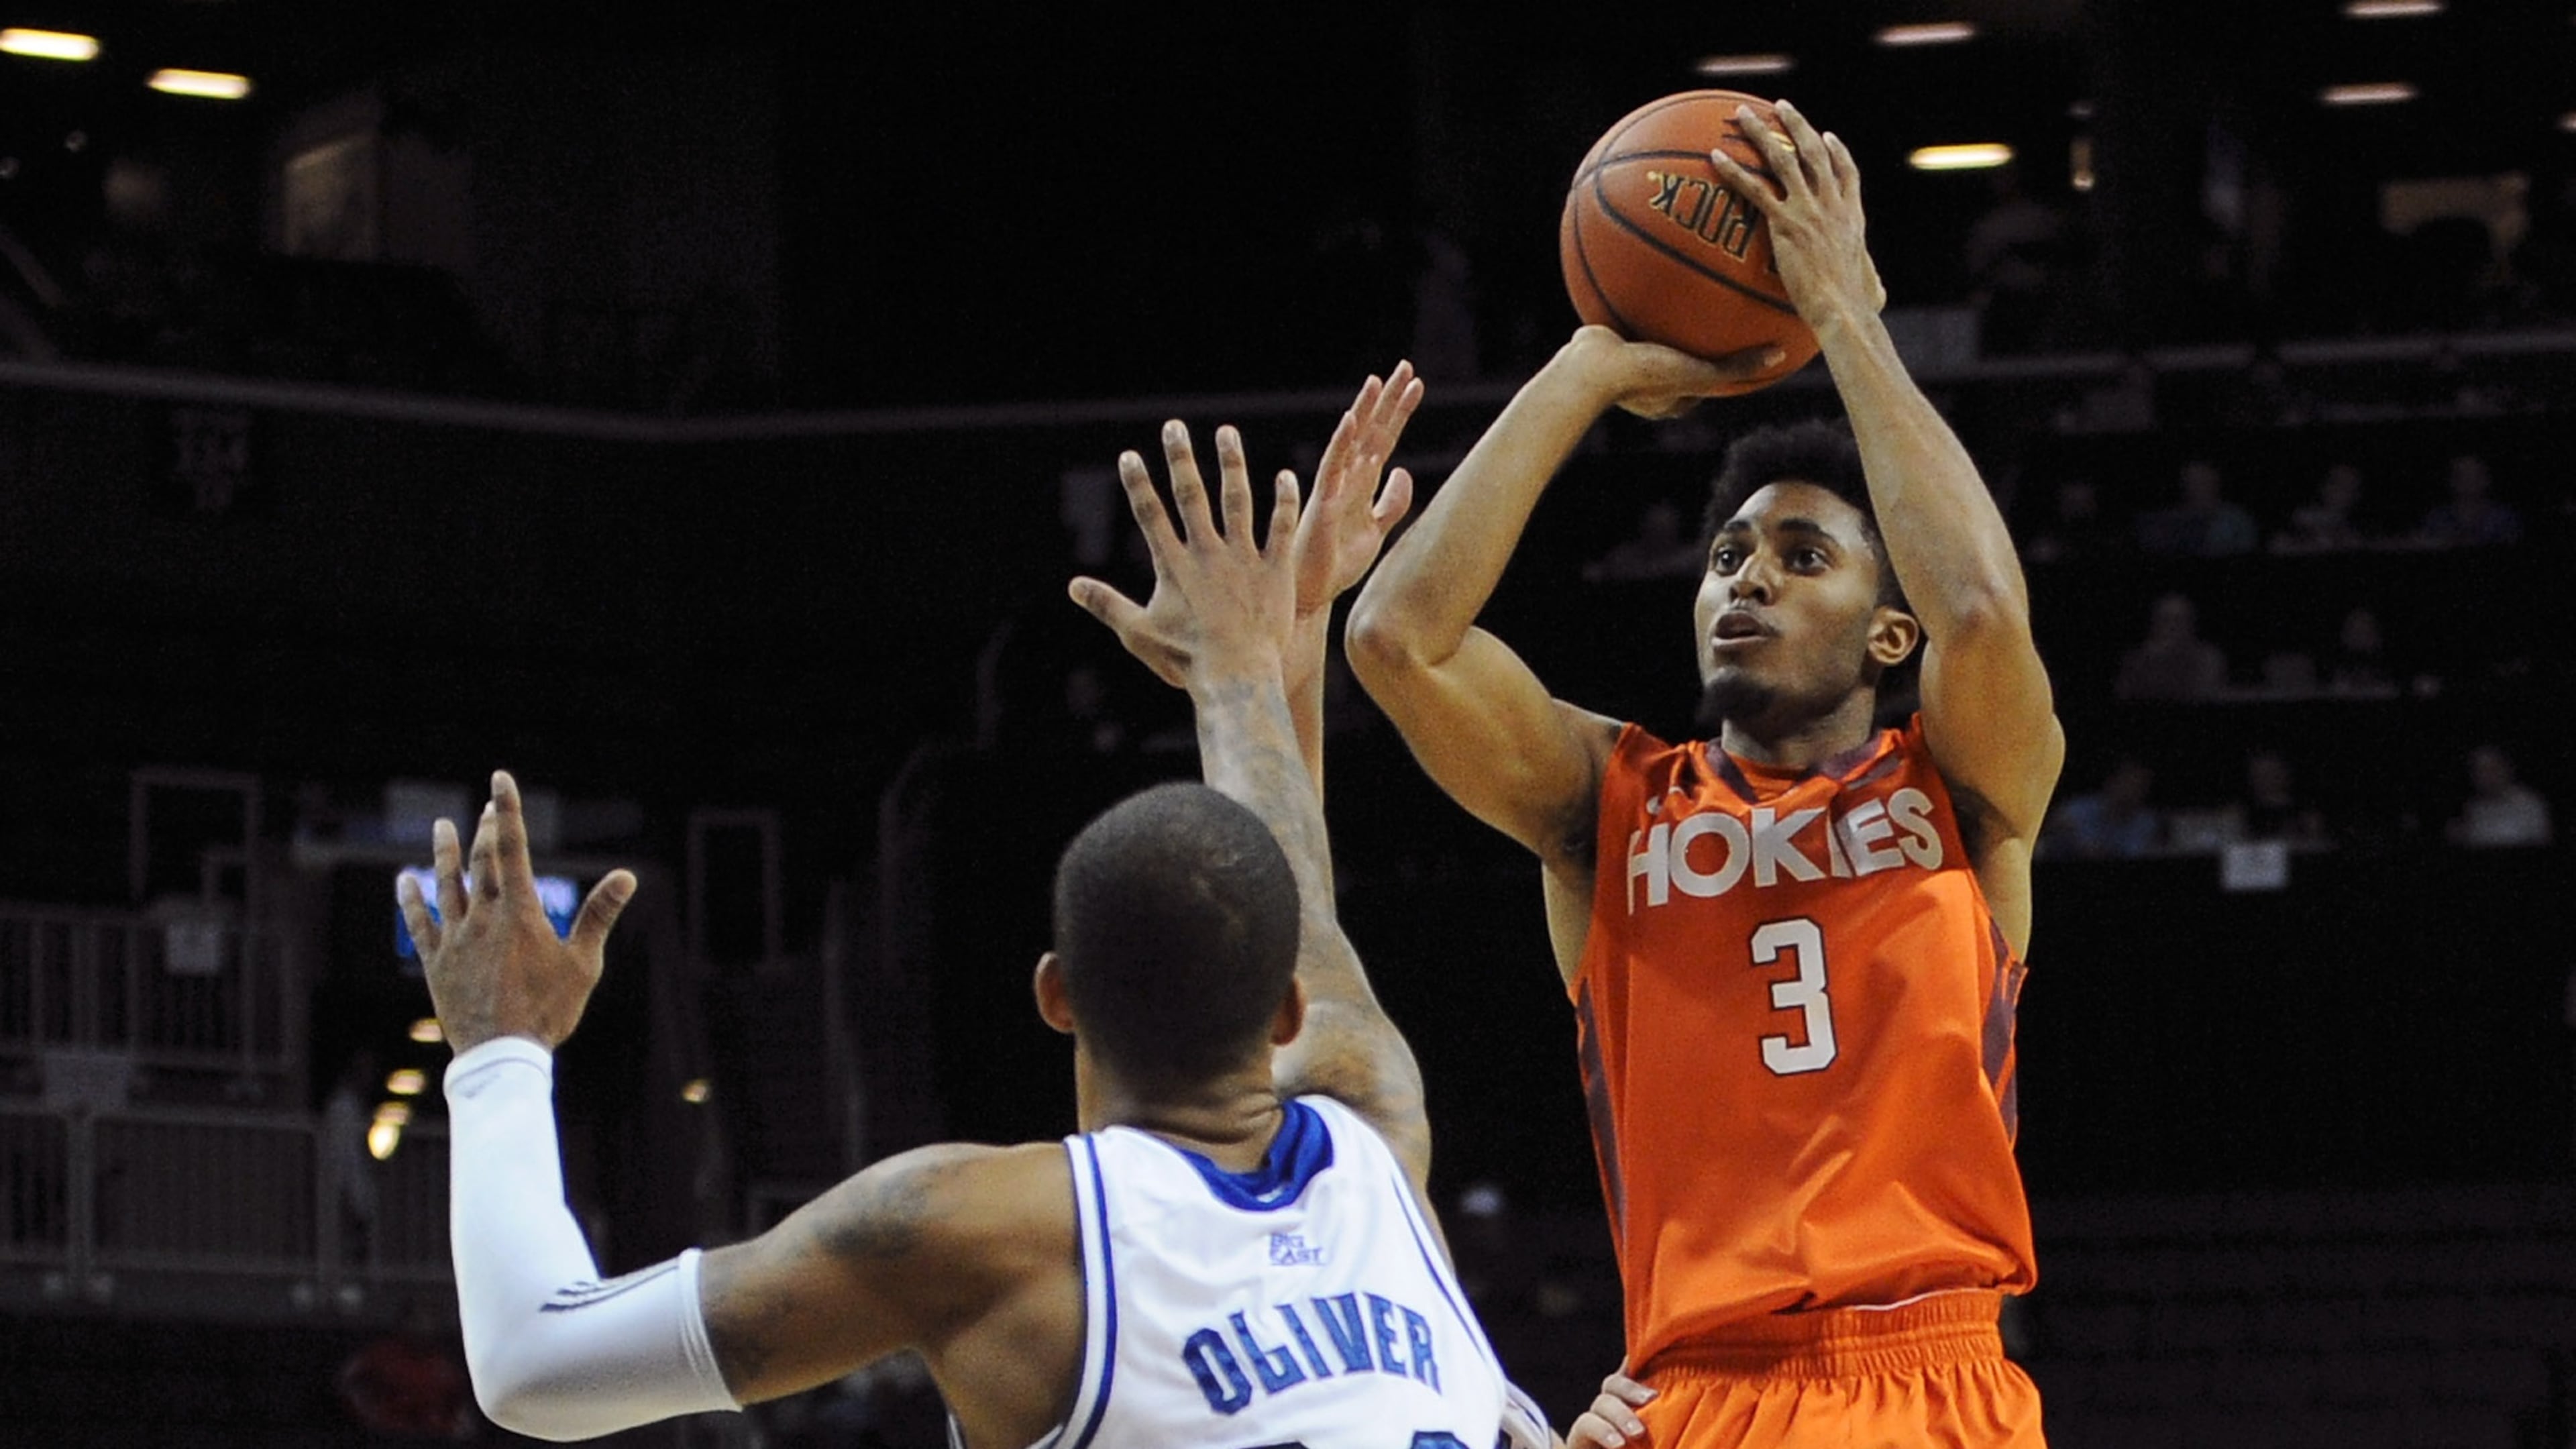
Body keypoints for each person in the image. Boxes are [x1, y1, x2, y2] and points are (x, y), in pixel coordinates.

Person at [403, 378, 1552, 1448]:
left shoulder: (986, 1231)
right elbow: (1296, 904)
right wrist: (1256, 663)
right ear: (1288, 1011)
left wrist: (500, 1050)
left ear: (1055, 996)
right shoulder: (1374, 1133)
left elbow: (533, 1364)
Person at [1347, 100, 2057, 1448]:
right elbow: (1395, 639)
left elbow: (1979, 609)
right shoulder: (1612, 807)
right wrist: (1586, 370)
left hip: (1928, 1380)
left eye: (1803, 557)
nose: (1746, 580)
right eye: (1728, 555)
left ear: (1888, 634)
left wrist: (1843, 315)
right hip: (1695, 1391)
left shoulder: (1961, 789)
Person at [2113, 592, 2229, 702]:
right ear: (2155, 624)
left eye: (2179, 620)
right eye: (2166, 620)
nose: (2172, 627)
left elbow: (2203, 695)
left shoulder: (2208, 658)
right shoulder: (2136, 660)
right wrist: (2151, 661)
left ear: (2191, 624)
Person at [2137, 459, 2259, 557]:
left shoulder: (2237, 520)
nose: (2198, 486)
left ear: (2216, 481)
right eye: (2192, 480)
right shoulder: (2165, 520)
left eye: (2203, 480)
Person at [2449, 744, 2553, 848]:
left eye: (2492, 769)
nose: (2486, 776)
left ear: (2506, 769)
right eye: (2480, 771)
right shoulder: (2473, 809)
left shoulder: (2530, 805)